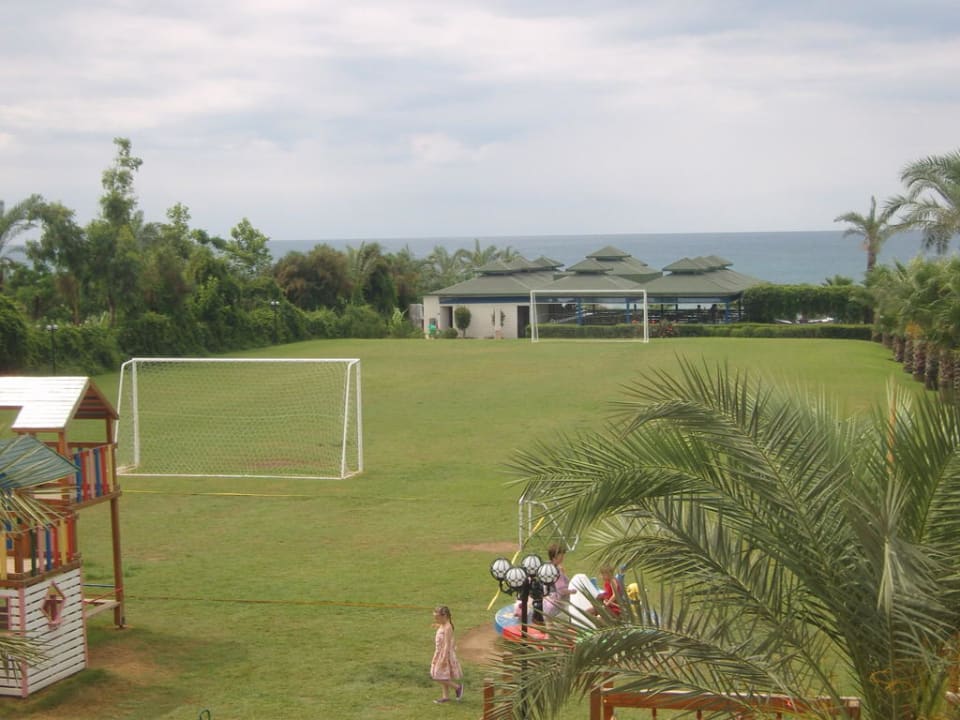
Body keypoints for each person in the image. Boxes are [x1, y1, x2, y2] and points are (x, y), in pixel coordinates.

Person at [430, 605, 463, 704]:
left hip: (444, 654)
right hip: (439, 652)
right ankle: (445, 697)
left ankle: (458, 687)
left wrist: (443, 657)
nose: (436, 619)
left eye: (437, 618)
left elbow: (447, 644)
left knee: (436, 675)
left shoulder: (448, 627)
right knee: (443, 676)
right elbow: (442, 630)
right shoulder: (443, 625)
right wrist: (437, 626)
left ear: (444, 616)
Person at [543, 543, 577, 622]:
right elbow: (561, 590)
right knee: (562, 630)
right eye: (561, 556)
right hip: (558, 606)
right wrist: (572, 591)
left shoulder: (546, 567)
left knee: (550, 630)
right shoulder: (557, 572)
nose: (563, 557)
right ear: (555, 557)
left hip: (546, 604)